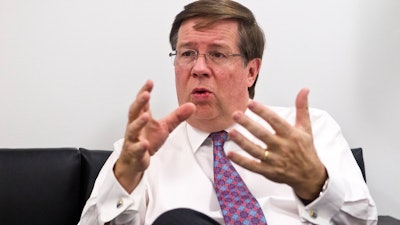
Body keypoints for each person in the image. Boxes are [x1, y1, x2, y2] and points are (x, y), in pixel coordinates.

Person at [78, 0, 378, 224]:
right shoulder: (142, 151)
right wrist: (126, 175)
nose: (198, 69)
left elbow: (364, 221)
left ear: (251, 71)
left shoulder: (310, 131)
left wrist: (314, 183)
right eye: (187, 54)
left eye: (217, 54)